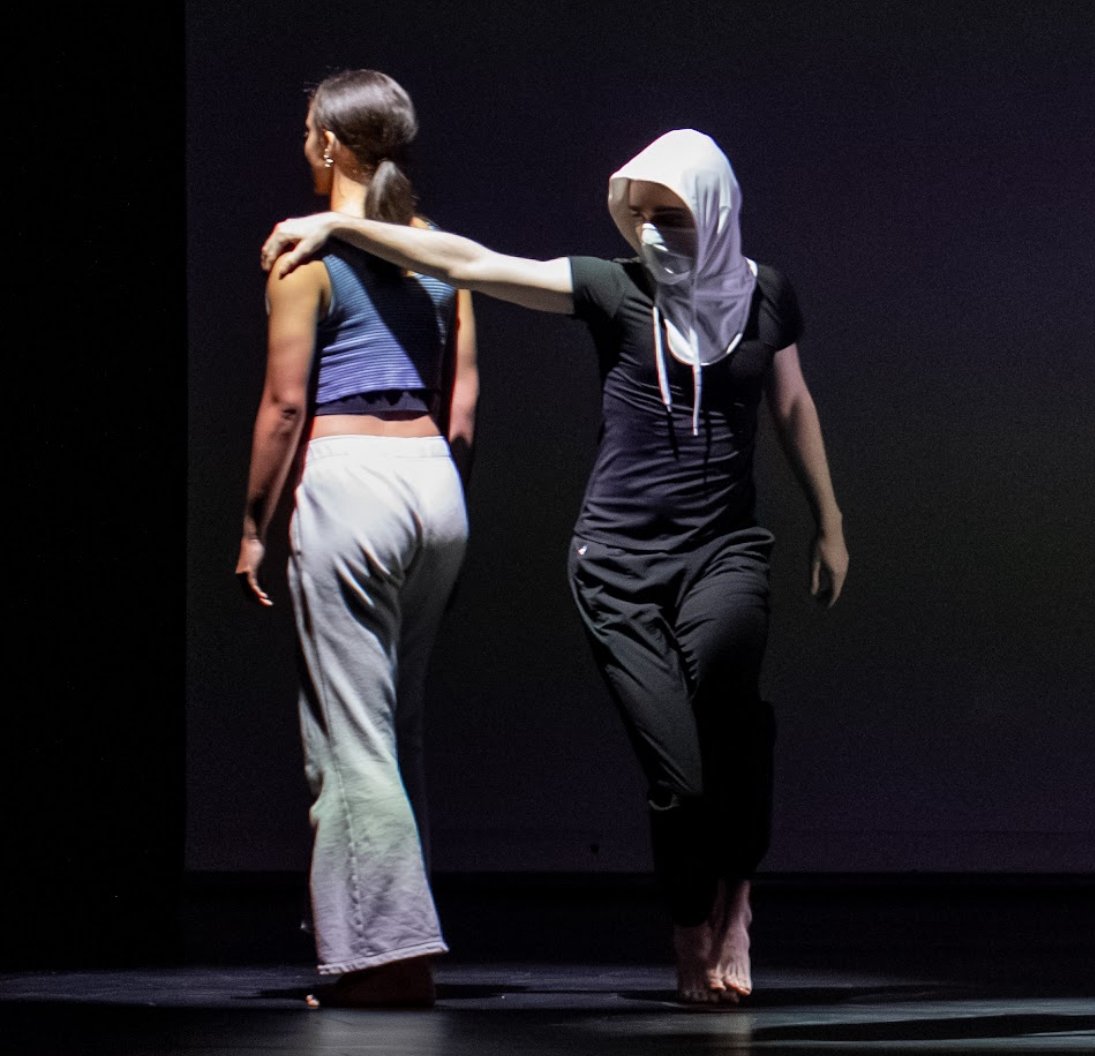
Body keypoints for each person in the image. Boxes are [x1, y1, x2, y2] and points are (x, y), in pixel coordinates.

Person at [259, 128, 848, 1006]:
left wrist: (828, 522)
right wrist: (343, 230)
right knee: (678, 779)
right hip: (615, 562)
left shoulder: (765, 296)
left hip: (725, 551)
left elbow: (791, 401)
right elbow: (471, 262)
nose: (649, 232)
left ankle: (734, 907)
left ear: (713, 211)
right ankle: (690, 930)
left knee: (731, 724)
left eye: (670, 216)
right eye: (636, 215)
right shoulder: (615, 289)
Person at [237, 68, 478, 1008]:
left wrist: (253, 528)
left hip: (353, 485)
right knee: (392, 725)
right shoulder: (435, 251)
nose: (303, 146)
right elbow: (461, 409)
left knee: (350, 734)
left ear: (332, 146)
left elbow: (286, 405)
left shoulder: (305, 257)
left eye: (308, 132)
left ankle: (388, 959)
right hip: (432, 490)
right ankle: (381, 942)